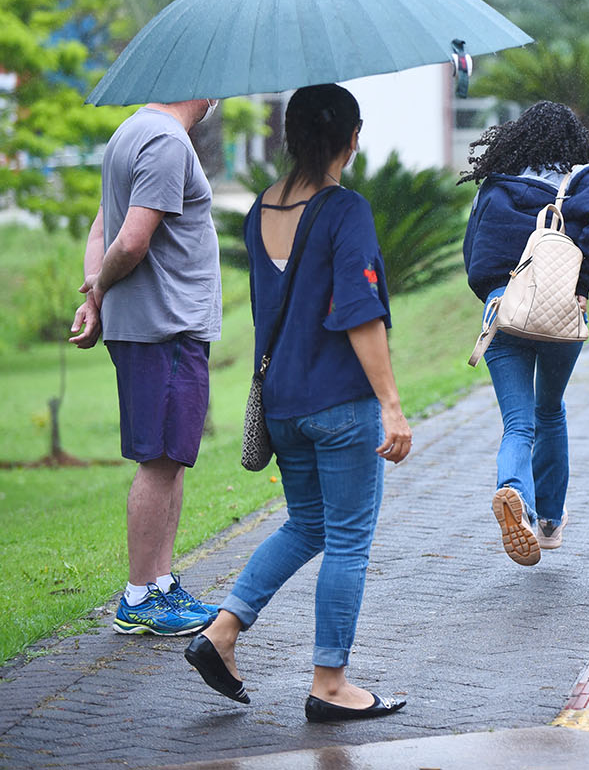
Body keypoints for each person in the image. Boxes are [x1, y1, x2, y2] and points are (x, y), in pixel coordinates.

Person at [182, 84, 413, 720]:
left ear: (289, 138)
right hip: (340, 402)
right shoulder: (346, 210)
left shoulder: (261, 209)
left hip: (282, 401)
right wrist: (391, 404)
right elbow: (359, 314)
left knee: (308, 525)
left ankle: (222, 631)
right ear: (352, 139)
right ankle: (331, 683)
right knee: (346, 540)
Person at [461, 101, 589, 566]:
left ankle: (512, 491)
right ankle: (549, 521)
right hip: (560, 309)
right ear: (573, 140)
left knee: (518, 423)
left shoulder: (498, 183)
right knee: (550, 409)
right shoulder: (582, 180)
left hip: (503, 309)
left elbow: (474, 249)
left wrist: (494, 289)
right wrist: (585, 284)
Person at [70, 97, 222, 636]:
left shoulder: (130, 132)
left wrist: (93, 297)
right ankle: (139, 597)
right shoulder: (164, 141)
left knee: (170, 458)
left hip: (157, 326)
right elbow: (130, 240)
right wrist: (103, 289)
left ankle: (160, 585)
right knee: (159, 460)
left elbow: (99, 233)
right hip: (166, 327)